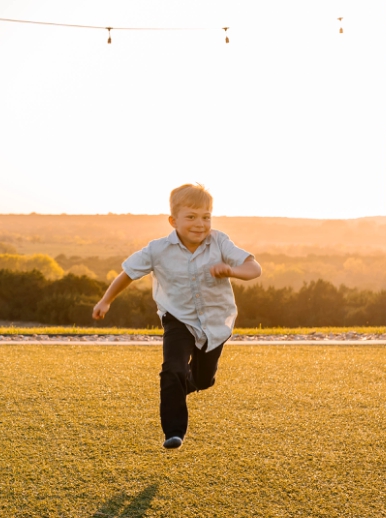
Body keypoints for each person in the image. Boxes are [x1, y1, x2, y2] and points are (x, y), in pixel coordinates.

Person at [90, 183, 261, 451]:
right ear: (173, 221)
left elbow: (254, 268)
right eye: (191, 217)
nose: (200, 224)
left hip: (215, 323)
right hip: (177, 318)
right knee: (173, 369)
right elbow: (128, 274)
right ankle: (174, 431)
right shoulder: (157, 250)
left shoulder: (220, 242)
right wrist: (105, 300)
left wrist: (231, 270)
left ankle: (185, 386)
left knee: (203, 380)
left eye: (206, 217)